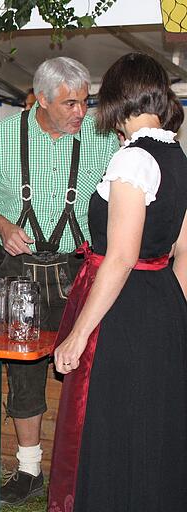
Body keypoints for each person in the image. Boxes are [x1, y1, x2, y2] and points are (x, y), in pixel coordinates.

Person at [0, 57, 119, 506]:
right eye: (70, 102)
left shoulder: (101, 137)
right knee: (24, 373)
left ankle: (84, 470)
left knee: (88, 370)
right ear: (41, 99)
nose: (81, 111)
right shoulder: (3, 136)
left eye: (85, 101)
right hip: (18, 270)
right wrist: (3, 225)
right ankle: (29, 469)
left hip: (79, 268)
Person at [49, 52, 187, 512]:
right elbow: (184, 252)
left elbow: (121, 257)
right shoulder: (177, 156)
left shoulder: (133, 160)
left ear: (114, 101)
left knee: (116, 430)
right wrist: (174, 316)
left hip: (124, 312)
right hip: (163, 305)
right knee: (153, 432)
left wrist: (78, 335)